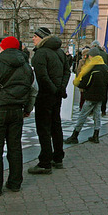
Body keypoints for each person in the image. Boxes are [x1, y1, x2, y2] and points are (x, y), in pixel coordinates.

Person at [0, 36, 35, 197]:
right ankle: (14, 183)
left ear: (2, 48)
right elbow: (34, 90)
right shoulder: (27, 67)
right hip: (17, 110)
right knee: (15, 148)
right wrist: (27, 109)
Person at [29, 27, 70, 174]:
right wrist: (61, 88)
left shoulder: (40, 53)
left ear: (42, 38)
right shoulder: (59, 51)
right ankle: (58, 157)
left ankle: (45, 162)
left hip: (45, 96)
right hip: (57, 94)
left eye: (35, 36)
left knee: (44, 129)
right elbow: (67, 71)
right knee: (55, 125)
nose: (33, 39)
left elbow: (42, 77)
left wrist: (54, 89)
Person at [64, 47, 108, 145]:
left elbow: (85, 82)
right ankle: (96, 135)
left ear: (91, 56)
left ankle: (75, 135)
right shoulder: (105, 68)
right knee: (97, 115)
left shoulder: (91, 68)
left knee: (82, 115)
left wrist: (77, 83)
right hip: (100, 95)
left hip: (91, 95)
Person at [91, 40, 108, 116]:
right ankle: (103, 110)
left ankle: (93, 110)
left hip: (95, 76)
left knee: (94, 93)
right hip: (105, 77)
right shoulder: (104, 54)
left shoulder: (92, 54)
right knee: (104, 94)